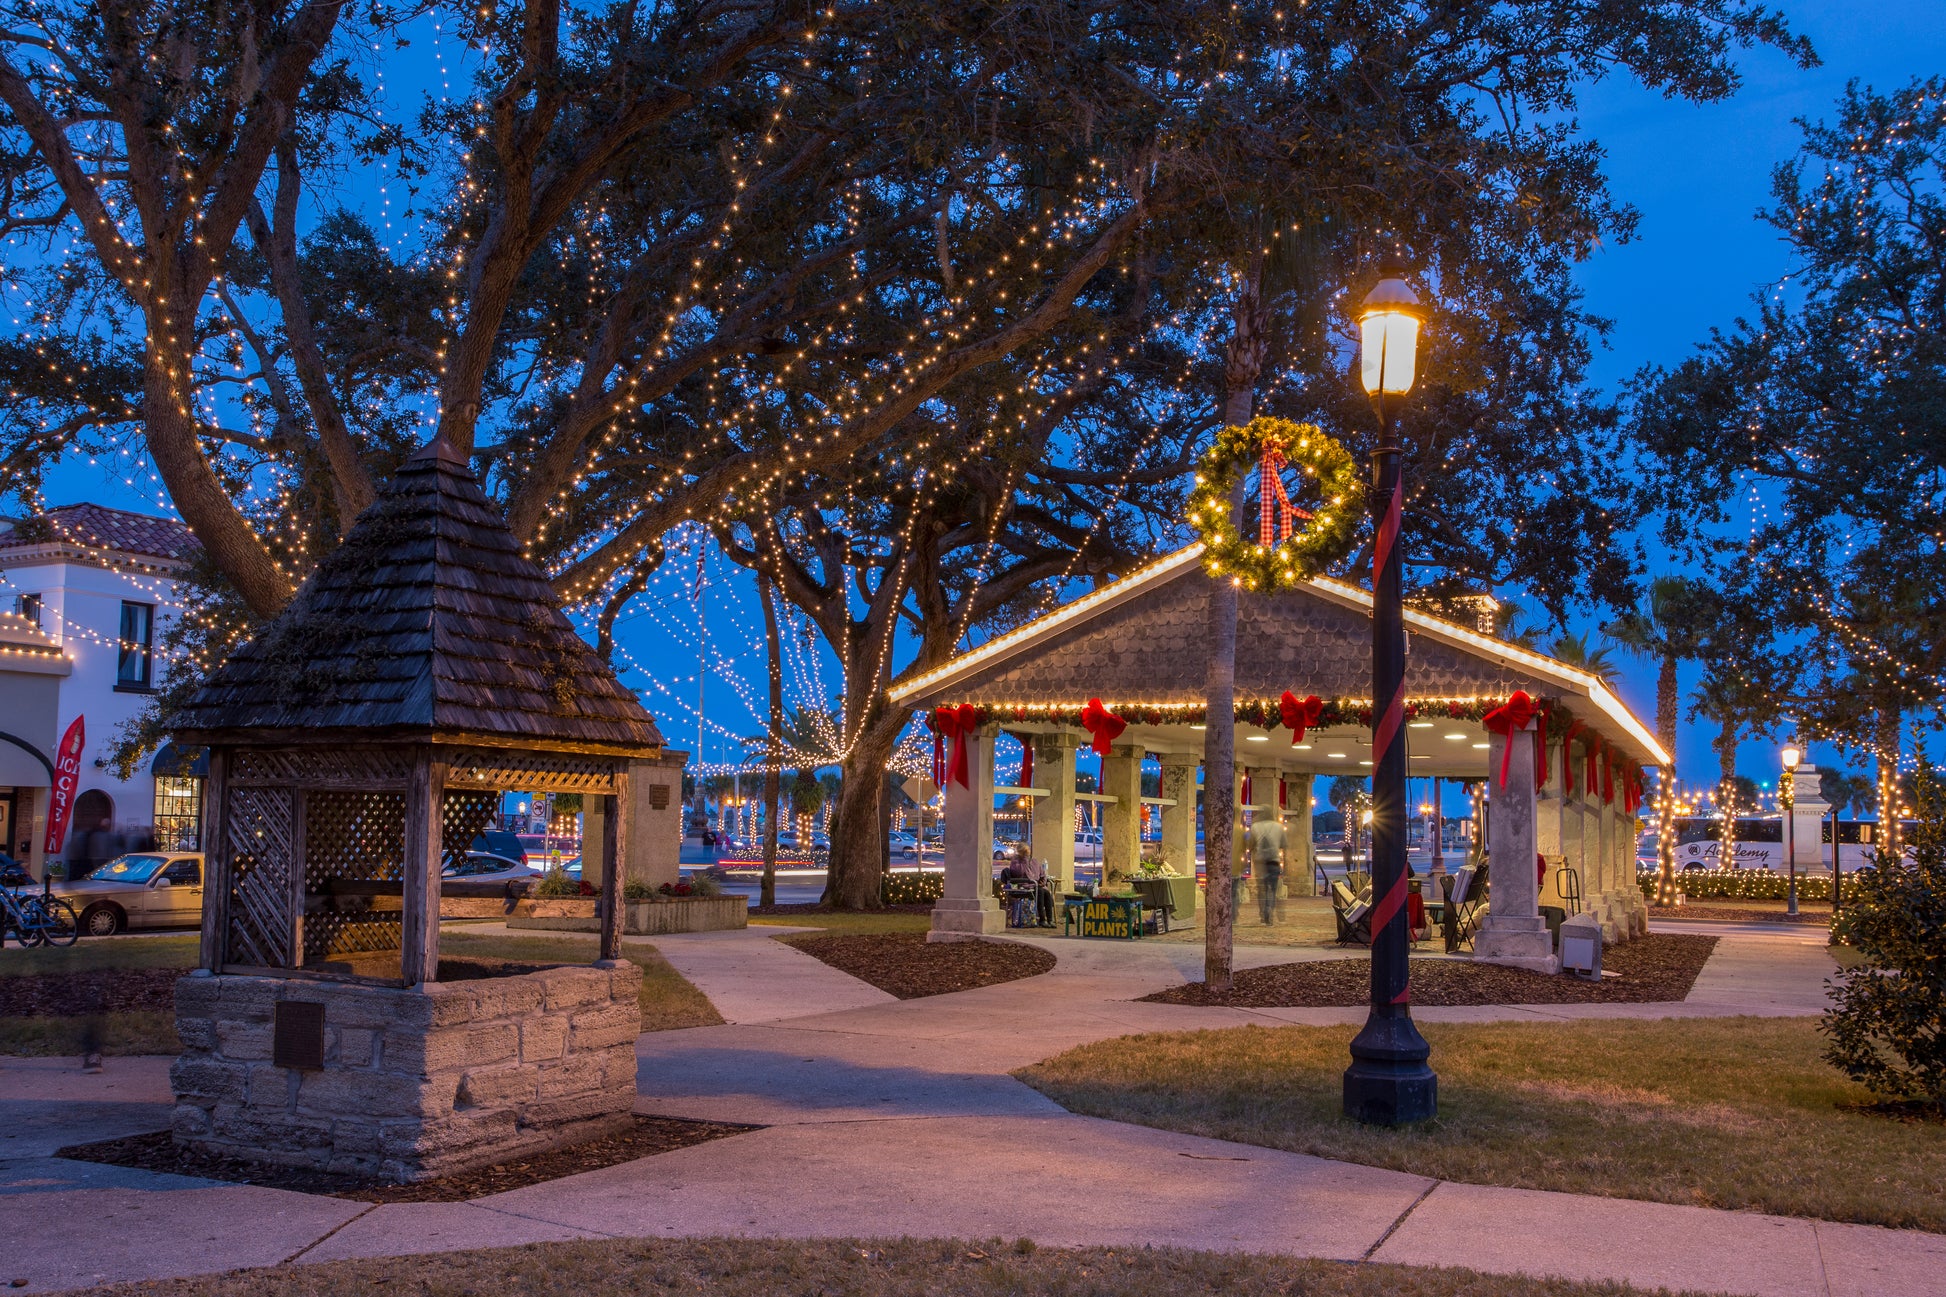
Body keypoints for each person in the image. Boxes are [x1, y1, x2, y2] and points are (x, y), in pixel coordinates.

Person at [1246, 811, 1289, 926]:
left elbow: (1250, 844)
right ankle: (1270, 911)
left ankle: (1263, 914)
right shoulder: (1279, 827)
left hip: (1260, 863)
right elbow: (1284, 844)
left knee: (1262, 889)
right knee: (1273, 889)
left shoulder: (1255, 827)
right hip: (1274, 861)